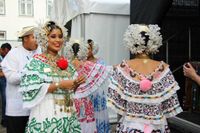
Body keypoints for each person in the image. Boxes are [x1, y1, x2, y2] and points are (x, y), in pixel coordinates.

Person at [107, 24, 183, 132]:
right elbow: (168, 106)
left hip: (131, 126)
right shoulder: (164, 69)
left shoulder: (122, 68)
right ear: (153, 40)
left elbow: (119, 105)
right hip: (157, 126)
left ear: (131, 40)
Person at [19, 21, 85, 133]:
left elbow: (71, 91)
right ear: (44, 38)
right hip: (47, 110)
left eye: (60, 36)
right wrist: (60, 84)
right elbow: (32, 89)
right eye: (53, 36)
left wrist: (76, 84)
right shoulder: (36, 62)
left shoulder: (67, 64)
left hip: (66, 112)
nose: (58, 40)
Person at [65, 39, 111, 133]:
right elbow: (106, 70)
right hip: (85, 99)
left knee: (74, 125)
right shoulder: (86, 64)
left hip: (71, 99)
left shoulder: (67, 65)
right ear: (82, 50)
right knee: (87, 125)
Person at [1, 26, 41, 133]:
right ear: (25, 38)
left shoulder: (40, 52)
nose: (37, 41)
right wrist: (34, 74)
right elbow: (12, 78)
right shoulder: (13, 54)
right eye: (34, 37)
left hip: (36, 108)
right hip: (18, 109)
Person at [0, 43, 12, 127]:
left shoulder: (7, 58)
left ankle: (4, 119)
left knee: (5, 100)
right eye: (6, 53)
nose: (7, 55)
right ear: (1, 50)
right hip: (2, 79)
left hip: (4, 81)